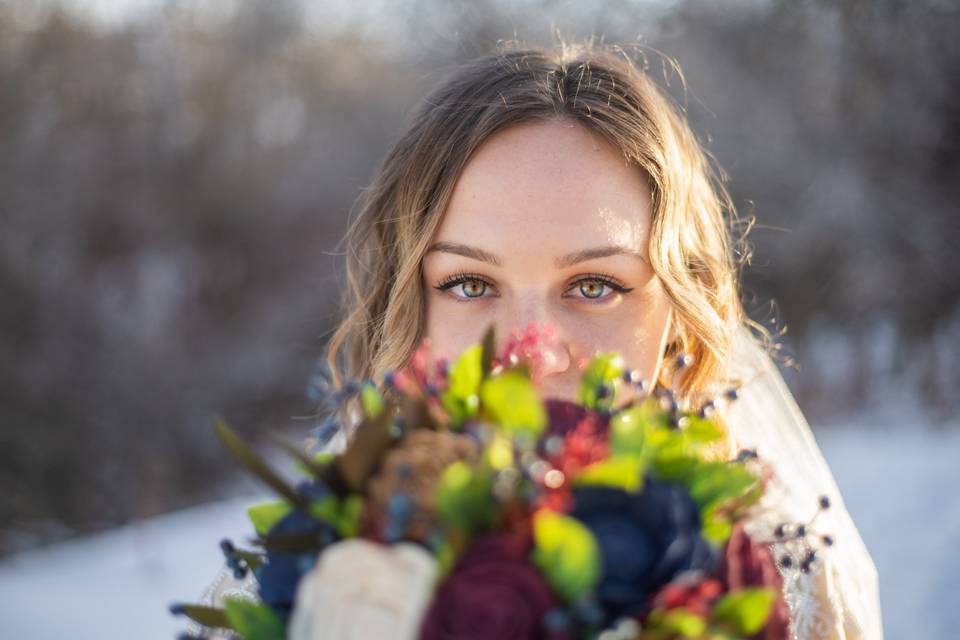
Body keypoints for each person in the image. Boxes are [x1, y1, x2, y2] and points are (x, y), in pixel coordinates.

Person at [199, 41, 883, 639]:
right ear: (410, 304)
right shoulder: (311, 584)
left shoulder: (786, 587)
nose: (529, 353)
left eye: (593, 286)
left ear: (682, 310)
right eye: (470, 285)